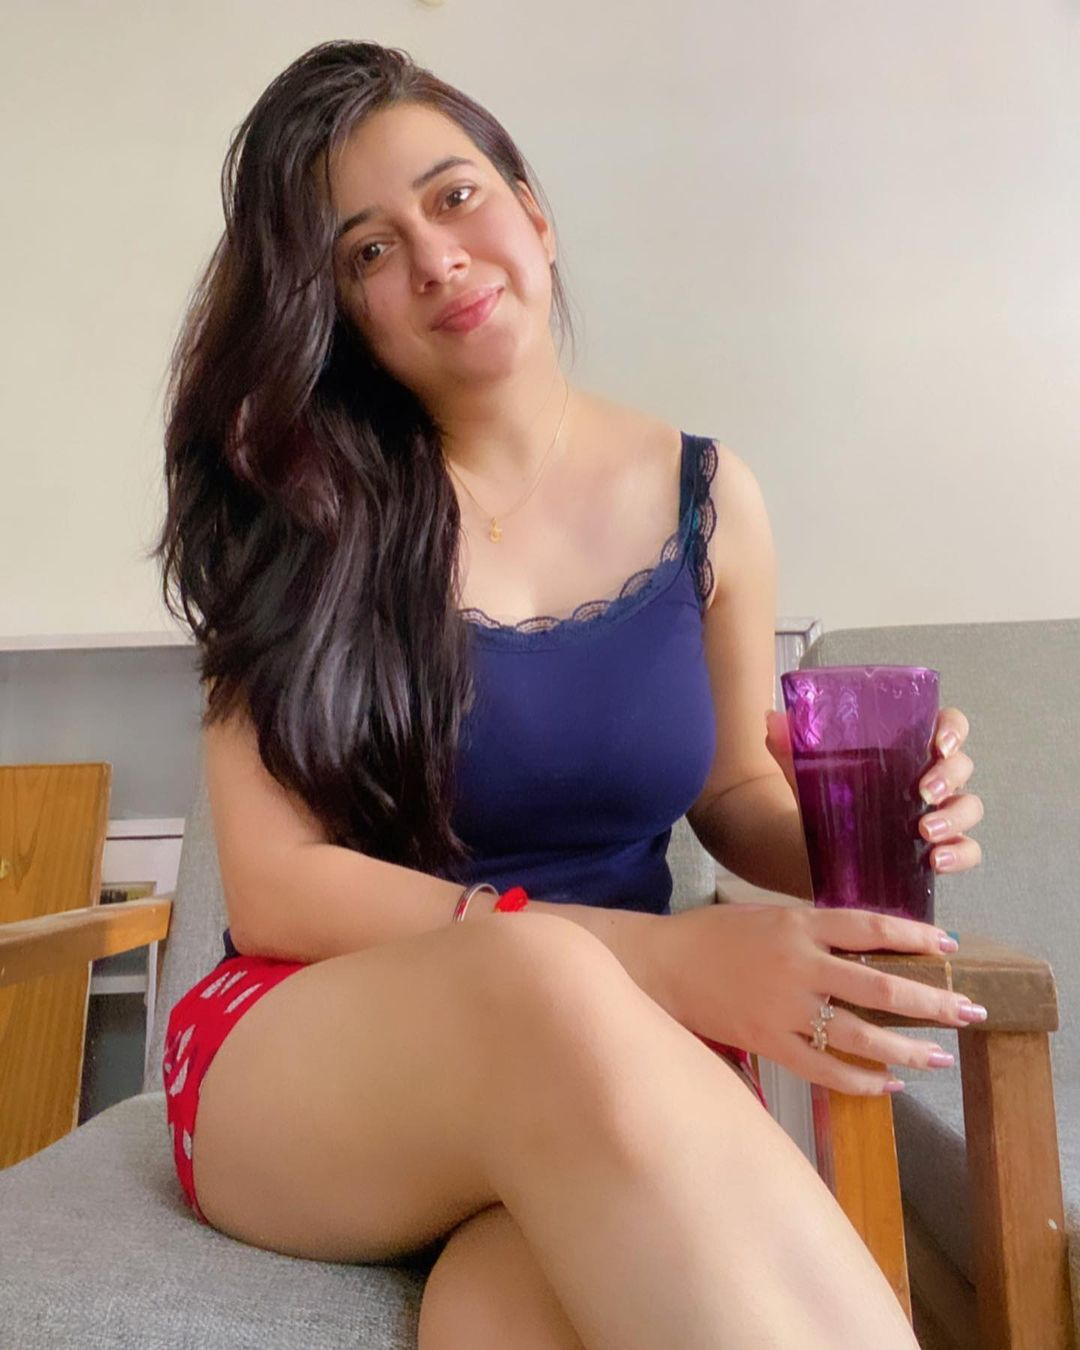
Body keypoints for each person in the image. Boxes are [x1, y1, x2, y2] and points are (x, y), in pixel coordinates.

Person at [152, 39, 985, 1350]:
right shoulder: (293, 515)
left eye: (456, 196)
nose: (436, 258)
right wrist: (655, 959)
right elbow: (277, 890)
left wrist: (876, 824)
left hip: (618, 1054)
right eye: (368, 252)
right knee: (535, 974)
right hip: (320, 1049)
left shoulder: (710, 498)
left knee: (516, 1316)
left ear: (533, 213)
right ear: (341, 312)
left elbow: (732, 786)